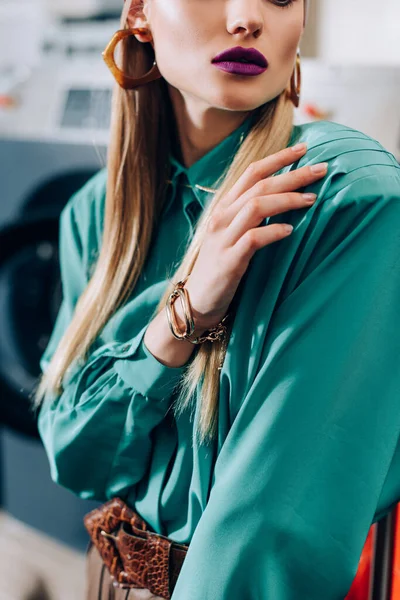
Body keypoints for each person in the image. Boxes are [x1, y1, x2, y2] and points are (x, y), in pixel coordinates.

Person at [32, 0, 400, 598]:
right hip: (105, 580)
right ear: (139, 14)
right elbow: (80, 461)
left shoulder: (346, 199)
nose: (247, 18)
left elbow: (275, 532)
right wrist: (180, 319)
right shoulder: (95, 213)